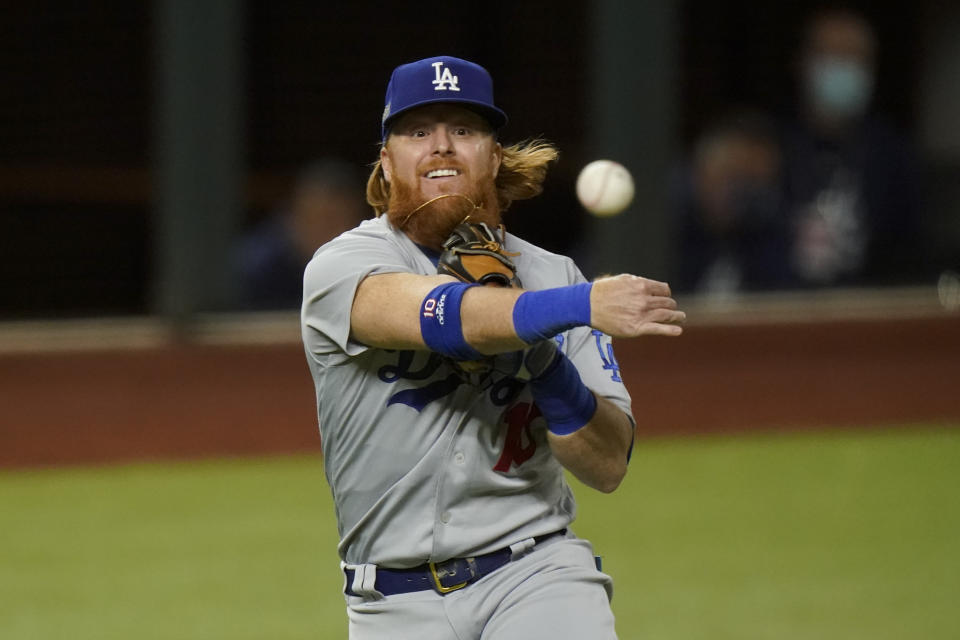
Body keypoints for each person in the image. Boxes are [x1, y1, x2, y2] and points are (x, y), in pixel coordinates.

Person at [300, 56, 686, 639]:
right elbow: (445, 319)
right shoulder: (344, 265)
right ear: (387, 160)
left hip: (535, 576)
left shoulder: (556, 276)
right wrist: (564, 311)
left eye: (463, 130)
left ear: (494, 155)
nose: (441, 147)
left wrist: (542, 357)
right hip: (390, 604)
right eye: (418, 131)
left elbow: (607, 464)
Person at [781, 7, 924, 287]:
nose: (844, 69)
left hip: (865, 315)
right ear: (801, 63)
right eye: (832, 56)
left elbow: (909, 258)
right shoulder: (770, 147)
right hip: (784, 312)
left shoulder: (893, 157)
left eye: (856, 58)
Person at [672, 110, 791, 294]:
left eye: (749, 182)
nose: (736, 191)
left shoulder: (766, 240)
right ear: (701, 171)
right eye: (728, 176)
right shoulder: (669, 232)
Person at [234, 159, 366, 309]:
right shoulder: (258, 266)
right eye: (318, 219)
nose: (327, 232)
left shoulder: (368, 263)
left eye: (337, 222)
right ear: (294, 215)